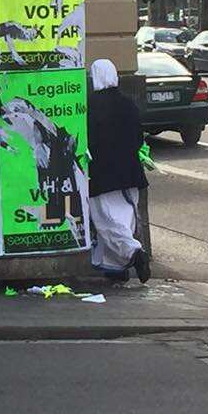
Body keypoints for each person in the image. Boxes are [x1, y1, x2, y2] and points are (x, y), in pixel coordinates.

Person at [87, 58, 151, 283]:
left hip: (101, 175)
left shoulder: (90, 106)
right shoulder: (128, 104)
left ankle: (133, 254)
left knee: (105, 221)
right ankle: (116, 268)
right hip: (130, 173)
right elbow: (137, 138)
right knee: (125, 221)